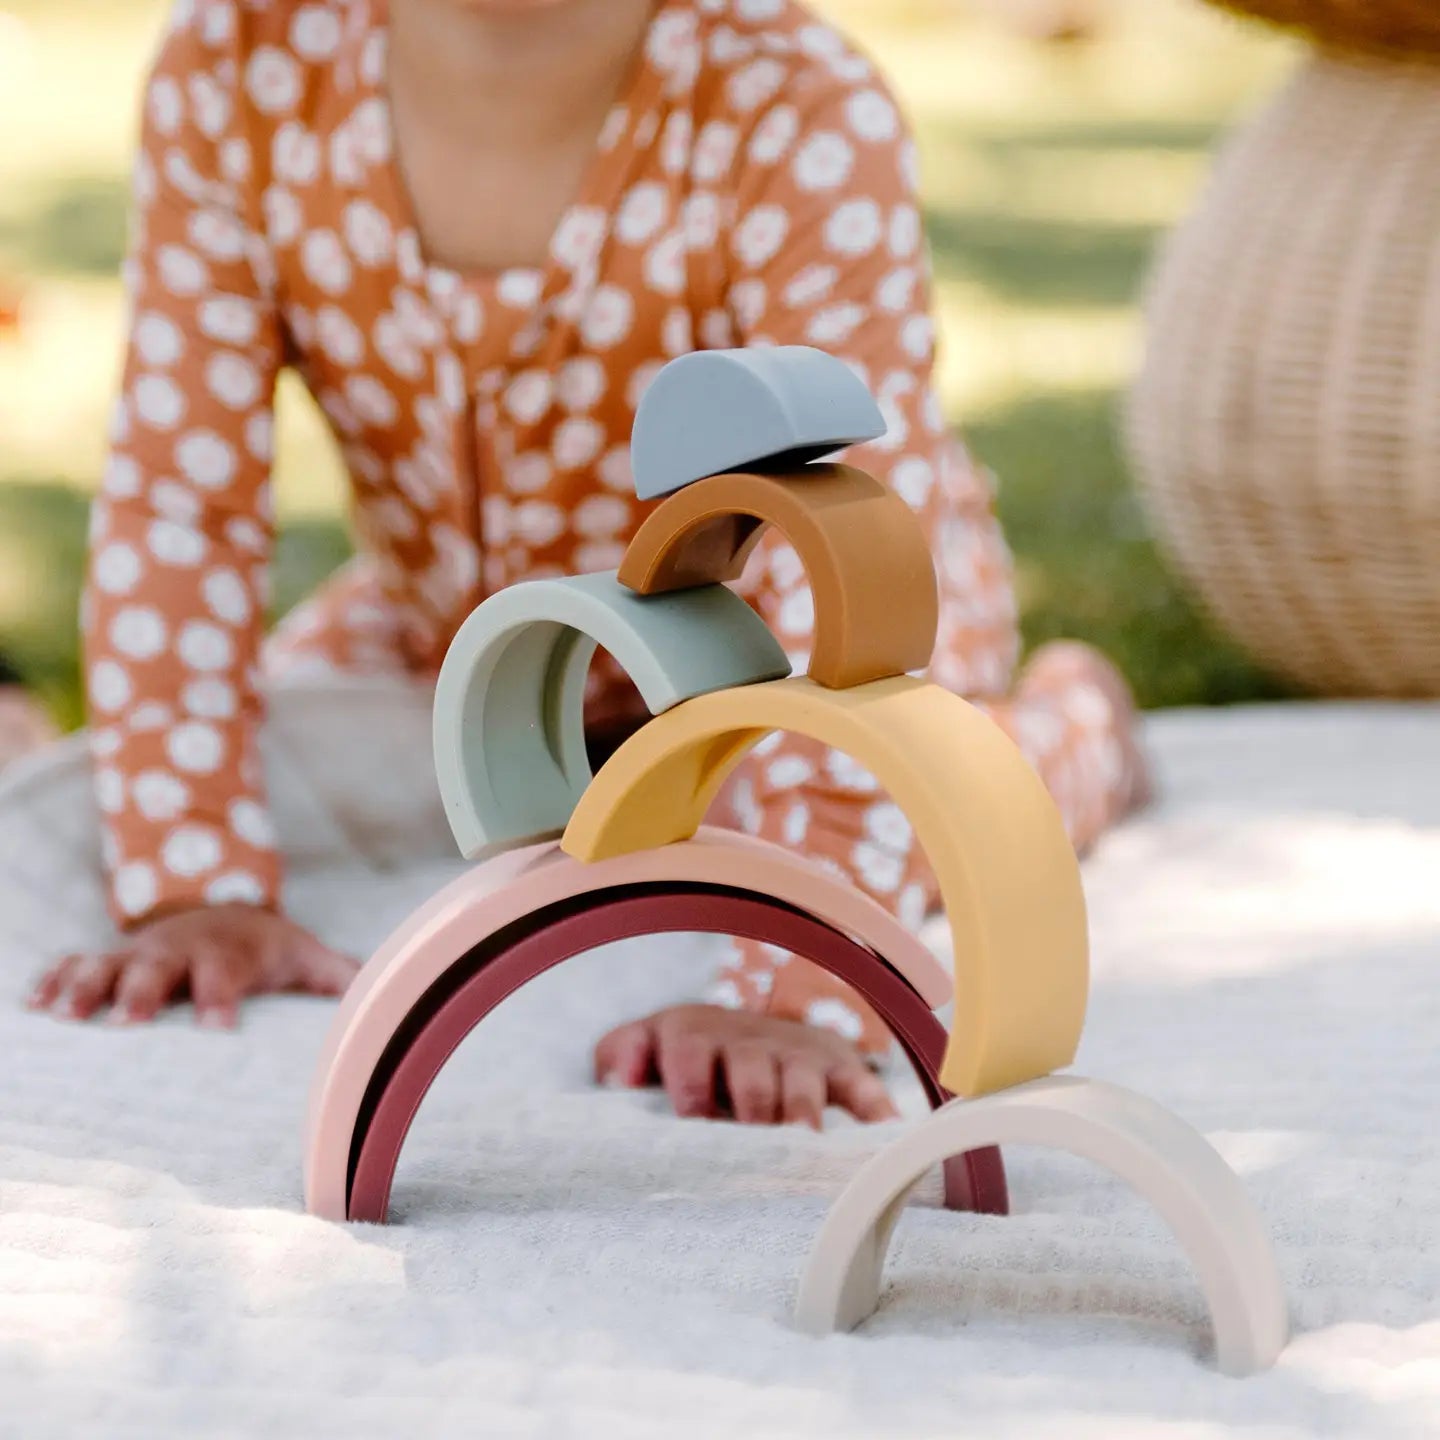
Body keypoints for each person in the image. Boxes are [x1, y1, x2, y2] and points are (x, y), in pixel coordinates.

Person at [25, 0, 1148, 1130]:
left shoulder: (788, 99)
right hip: (462, 631)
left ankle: (1077, 726)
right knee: (271, 742)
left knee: (938, 806)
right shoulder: (241, 64)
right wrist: (193, 886)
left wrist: (799, 990)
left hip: (787, 631)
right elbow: (182, 505)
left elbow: (845, 538)